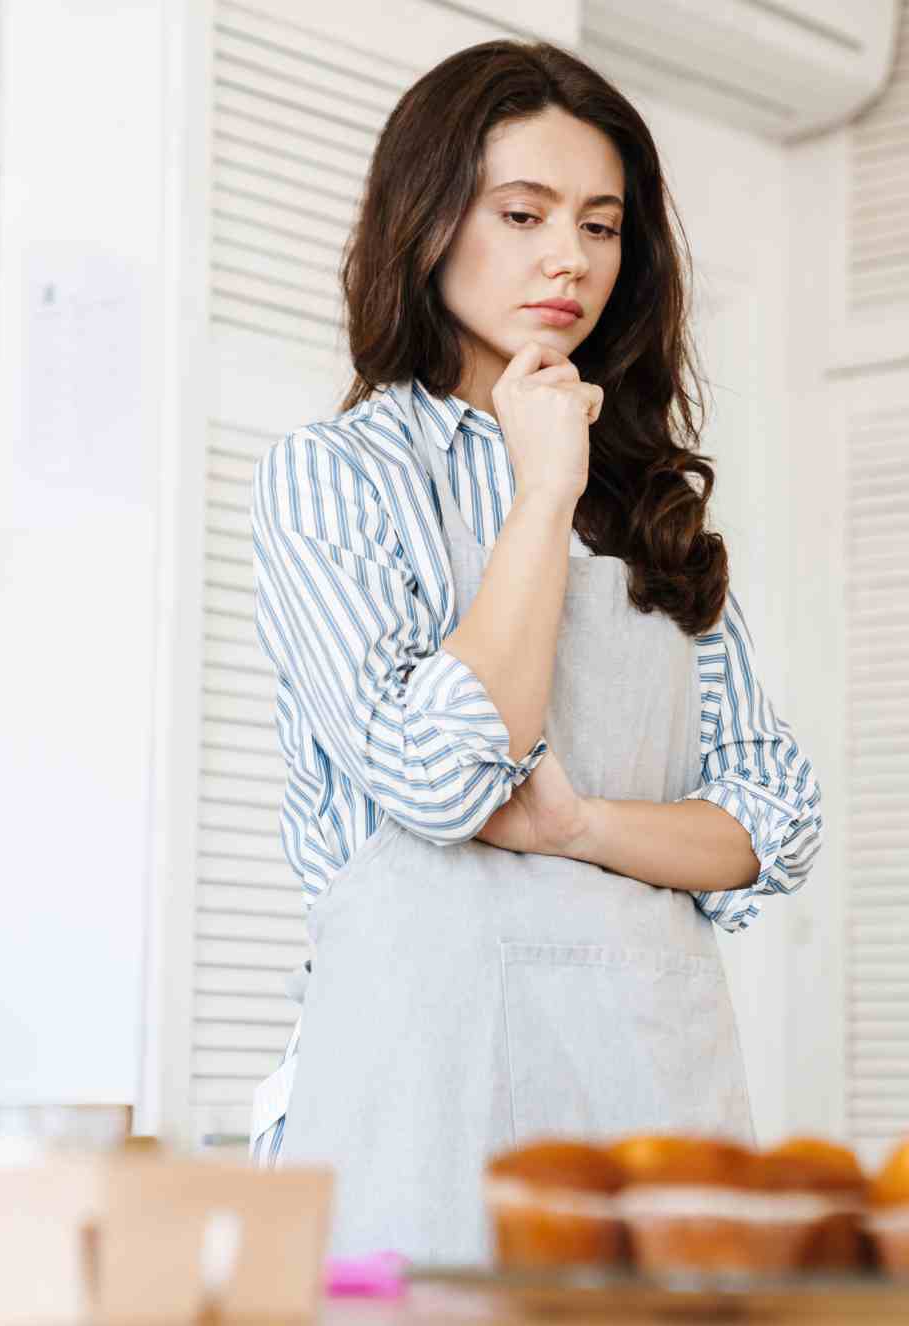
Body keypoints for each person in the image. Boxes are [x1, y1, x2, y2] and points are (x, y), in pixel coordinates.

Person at [243, 39, 824, 1265]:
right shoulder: (335, 478)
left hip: (654, 1095)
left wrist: (577, 828)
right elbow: (443, 779)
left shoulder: (655, 503)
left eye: (603, 226)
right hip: (416, 1081)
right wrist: (541, 491)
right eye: (524, 213)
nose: (570, 257)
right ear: (428, 219)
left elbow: (772, 822)